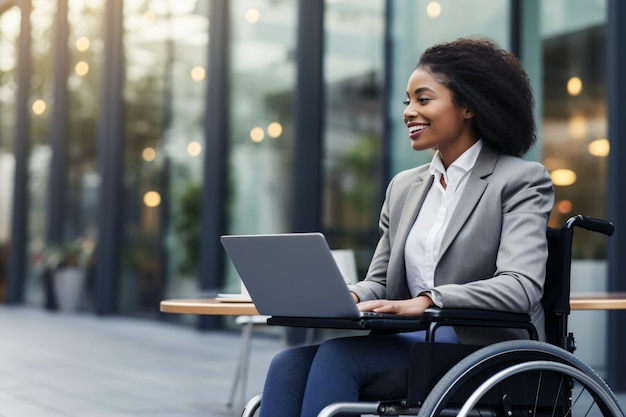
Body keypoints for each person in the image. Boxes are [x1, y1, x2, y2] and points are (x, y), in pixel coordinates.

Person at [258, 37, 554, 417]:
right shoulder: (404, 187)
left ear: (467, 106)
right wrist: (347, 295)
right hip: (418, 340)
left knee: (337, 358)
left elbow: (520, 286)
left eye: (423, 99)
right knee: (286, 365)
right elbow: (381, 283)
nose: (409, 112)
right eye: (407, 101)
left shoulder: (520, 180)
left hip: (484, 347)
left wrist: (429, 301)